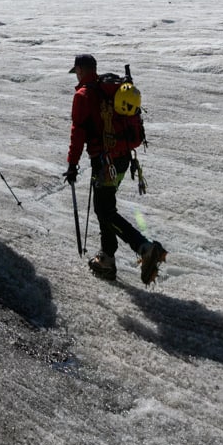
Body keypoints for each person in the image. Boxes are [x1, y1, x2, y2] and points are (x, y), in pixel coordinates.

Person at [64, 53, 165, 283]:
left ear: (81, 70)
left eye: (77, 70)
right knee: (105, 207)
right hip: (122, 160)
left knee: (105, 211)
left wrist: (72, 164)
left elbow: (77, 133)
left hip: (105, 162)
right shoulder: (107, 90)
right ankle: (107, 258)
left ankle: (144, 247)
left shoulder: (84, 95)